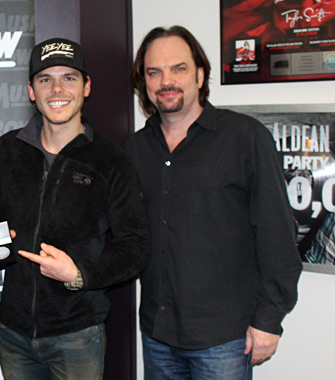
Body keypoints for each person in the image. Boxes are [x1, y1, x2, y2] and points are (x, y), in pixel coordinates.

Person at [126, 26, 302, 379]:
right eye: (154, 72)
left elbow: (277, 234)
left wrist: (269, 320)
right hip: (158, 335)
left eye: (178, 69)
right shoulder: (135, 149)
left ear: (200, 74)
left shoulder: (245, 137)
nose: (166, 81)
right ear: (144, 82)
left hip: (224, 339)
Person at [0, 37, 150, 379]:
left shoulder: (111, 161)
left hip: (78, 335)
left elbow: (136, 248)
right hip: (14, 333)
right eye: (45, 79)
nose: (57, 88)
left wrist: (79, 275)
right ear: (30, 90)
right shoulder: (8, 149)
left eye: (69, 77)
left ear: (86, 87)